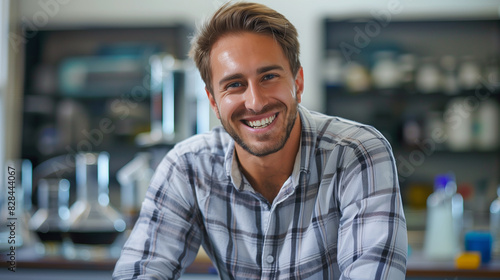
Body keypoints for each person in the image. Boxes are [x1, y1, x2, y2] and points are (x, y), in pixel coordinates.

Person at [113, 2, 407, 279]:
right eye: (235, 84)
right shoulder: (188, 166)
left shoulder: (358, 153)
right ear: (213, 102)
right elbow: (141, 270)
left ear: (298, 83)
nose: (255, 102)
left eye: (268, 77)